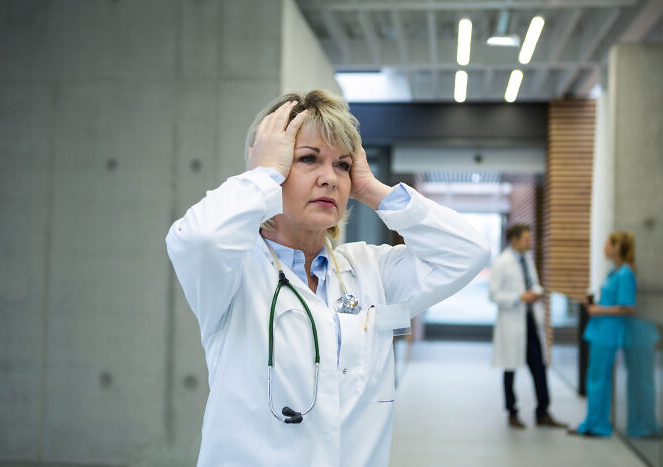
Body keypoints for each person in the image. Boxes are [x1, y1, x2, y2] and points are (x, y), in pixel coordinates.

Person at [165, 90, 490, 467]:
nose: (330, 179)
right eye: (308, 159)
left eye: (342, 165)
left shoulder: (371, 271)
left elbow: (469, 252)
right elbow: (198, 239)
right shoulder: (233, 273)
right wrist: (261, 175)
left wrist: (369, 187)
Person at [489, 224, 566, 429]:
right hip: (512, 320)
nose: (530, 242)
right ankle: (512, 412)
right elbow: (493, 295)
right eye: (526, 239)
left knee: (539, 367)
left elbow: (534, 283)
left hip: (530, 319)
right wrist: (519, 297)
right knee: (510, 367)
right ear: (514, 240)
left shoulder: (527, 259)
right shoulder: (501, 262)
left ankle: (543, 412)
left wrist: (536, 292)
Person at [571, 231, 637, 436]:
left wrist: (599, 310)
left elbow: (628, 307)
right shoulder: (613, 271)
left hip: (608, 332)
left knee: (598, 380)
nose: (604, 248)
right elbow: (612, 302)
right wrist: (596, 306)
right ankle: (594, 421)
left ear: (617, 247)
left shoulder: (625, 273)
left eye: (608, 244)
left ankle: (598, 424)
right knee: (596, 378)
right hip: (599, 330)